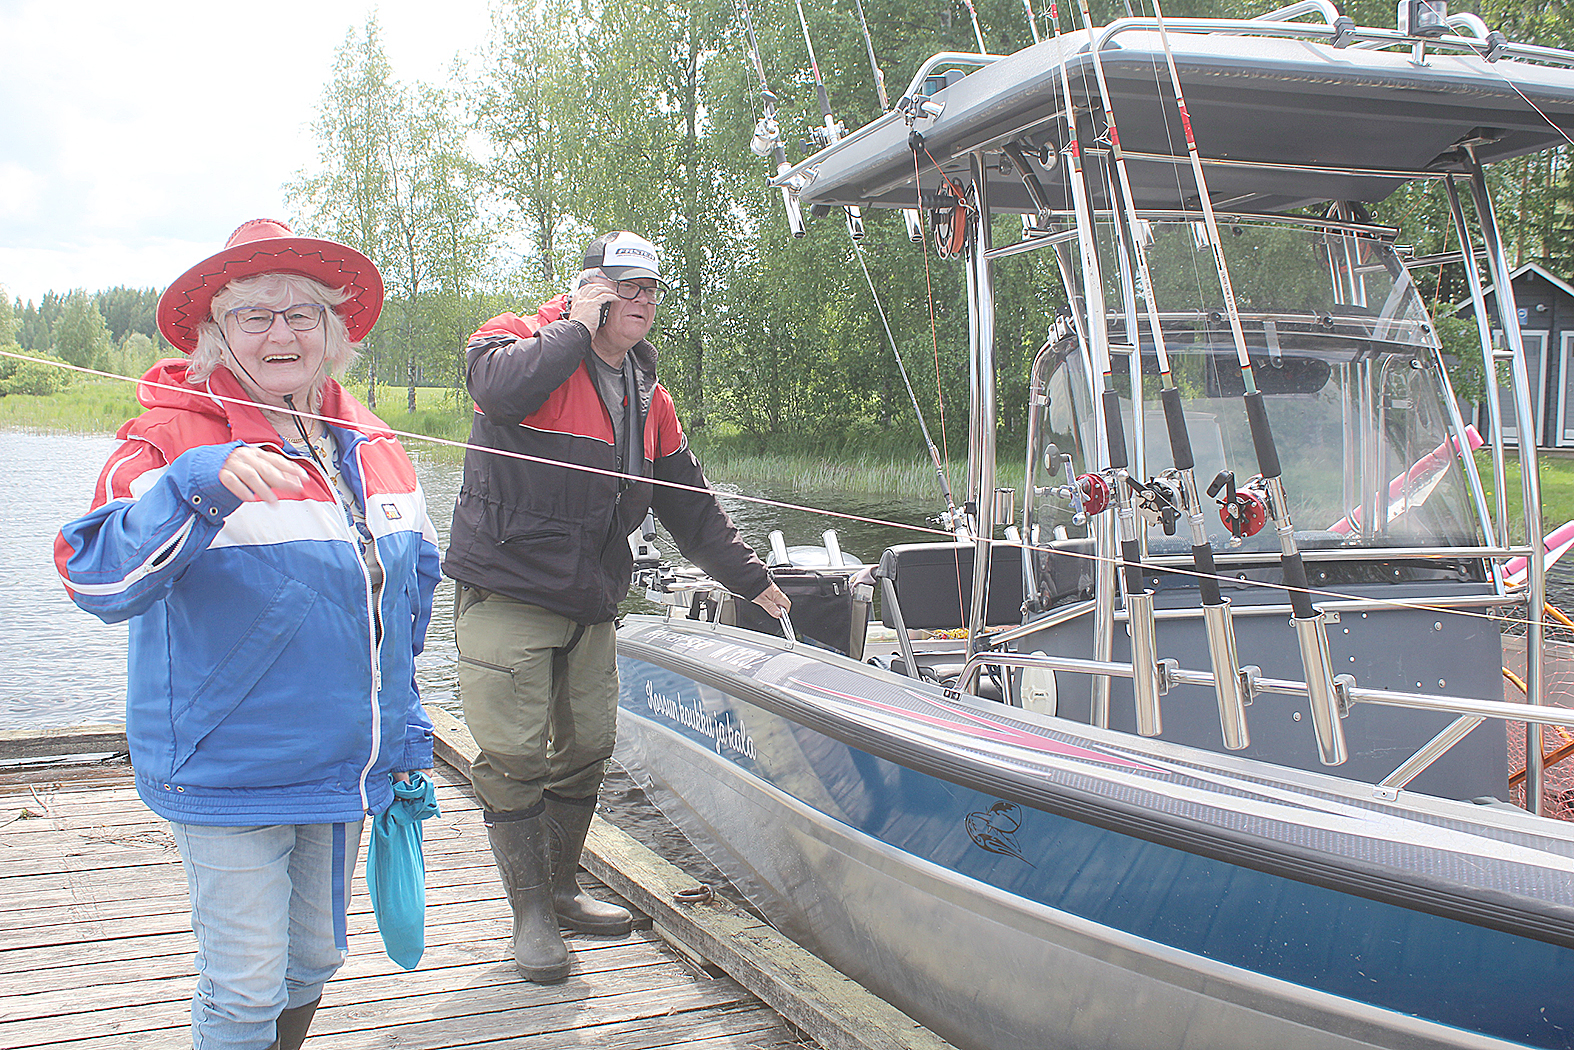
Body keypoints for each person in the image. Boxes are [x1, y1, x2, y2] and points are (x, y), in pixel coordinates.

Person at [55, 219, 441, 1050]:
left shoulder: (375, 445)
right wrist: (195, 488)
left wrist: (405, 734)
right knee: (244, 986)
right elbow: (93, 577)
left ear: (335, 333)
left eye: (304, 313)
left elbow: (406, 603)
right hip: (227, 768)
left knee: (313, 962)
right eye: (254, 315)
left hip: (344, 766)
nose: (281, 332)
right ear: (215, 336)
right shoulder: (166, 440)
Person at [444, 230, 789, 982]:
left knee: (589, 746)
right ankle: (530, 914)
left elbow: (693, 509)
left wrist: (753, 581)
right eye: (625, 287)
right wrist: (571, 325)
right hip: (509, 590)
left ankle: (564, 890)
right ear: (591, 287)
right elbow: (495, 392)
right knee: (512, 755)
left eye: (651, 290)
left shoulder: (648, 394)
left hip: (592, 597)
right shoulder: (516, 341)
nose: (641, 301)